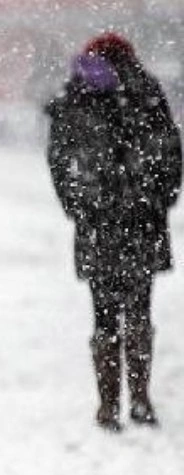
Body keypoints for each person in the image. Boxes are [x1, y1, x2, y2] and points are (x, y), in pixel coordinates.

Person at [46, 33, 181, 431]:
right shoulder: (147, 92)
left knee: (103, 316)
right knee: (140, 311)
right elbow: (171, 152)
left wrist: (79, 206)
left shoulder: (77, 95)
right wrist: (158, 200)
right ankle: (140, 398)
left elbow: (59, 159)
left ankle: (108, 406)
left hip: (98, 225)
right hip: (143, 223)